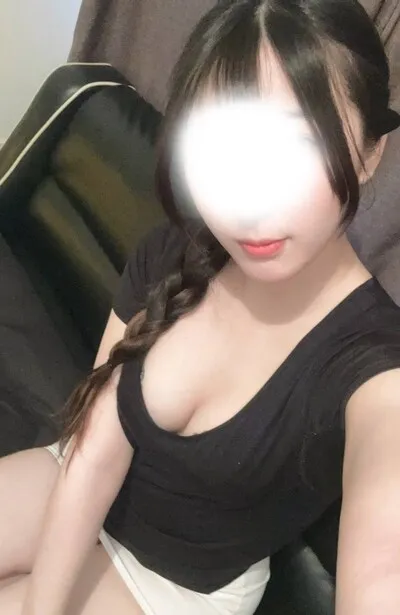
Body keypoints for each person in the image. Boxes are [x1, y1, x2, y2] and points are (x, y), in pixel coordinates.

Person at [1, 0, 400, 613]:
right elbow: (96, 447)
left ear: (371, 152)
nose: (247, 202)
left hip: (173, 583)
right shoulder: (176, 250)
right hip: (78, 476)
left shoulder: (375, 368)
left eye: (298, 146)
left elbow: (383, 566)